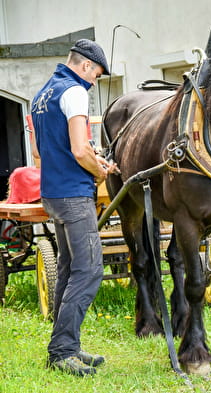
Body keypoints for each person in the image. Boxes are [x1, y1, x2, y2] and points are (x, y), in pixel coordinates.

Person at [31, 39, 118, 376]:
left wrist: (87, 158)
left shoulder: (42, 95)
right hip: (73, 197)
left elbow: (39, 152)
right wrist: (101, 168)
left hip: (52, 194)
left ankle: (67, 345)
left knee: (68, 270)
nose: (94, 81)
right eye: (95, 74)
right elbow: (81, 151)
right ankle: (62, 351)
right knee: (91, 270)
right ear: (84, 66)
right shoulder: (75, 91)